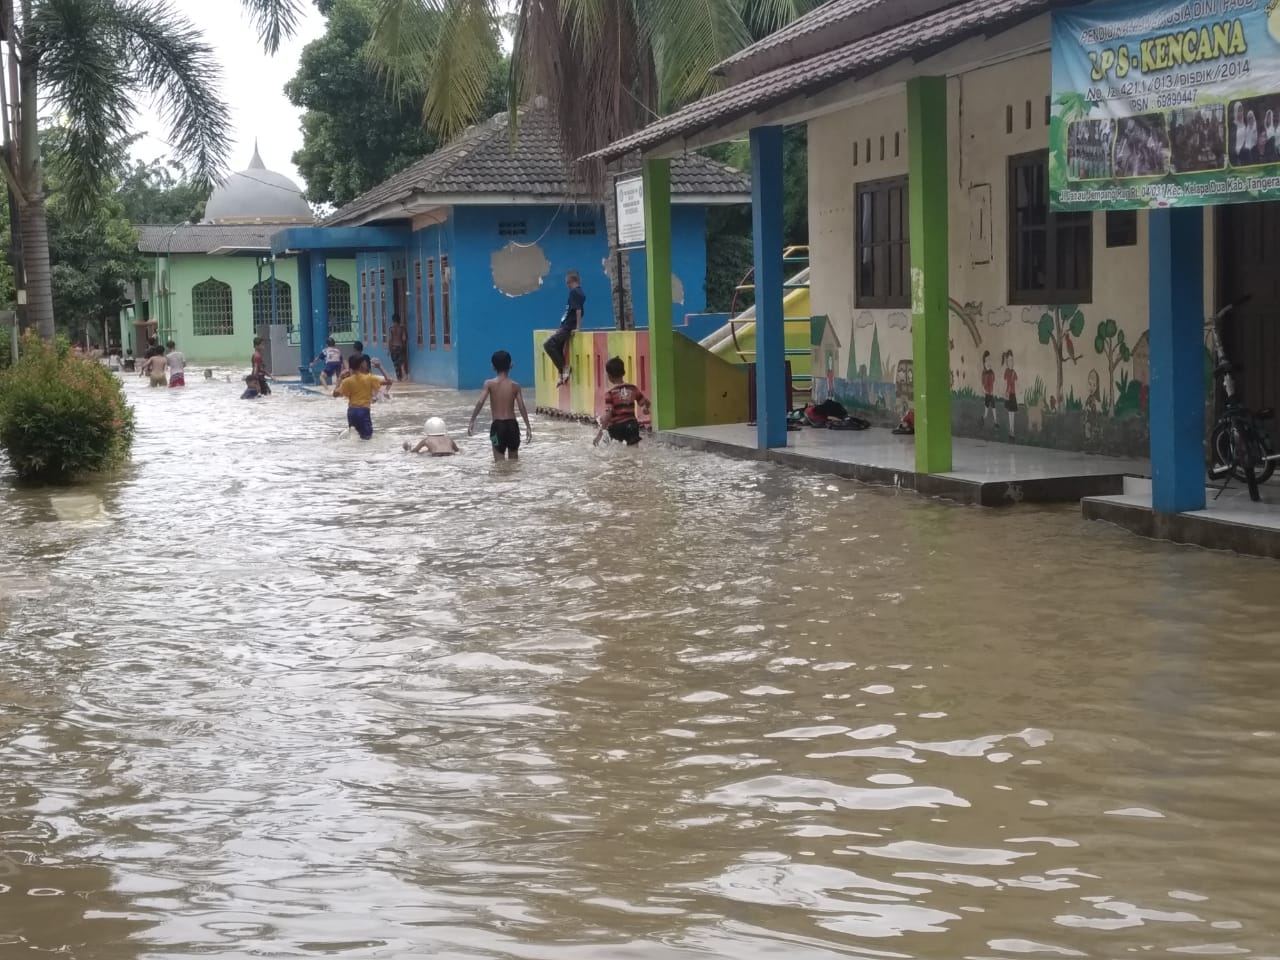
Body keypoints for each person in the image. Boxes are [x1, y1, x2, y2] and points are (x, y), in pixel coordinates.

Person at [468, 349, 532, 460]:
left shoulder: (489, 384)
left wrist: (472, 420)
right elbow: (522, 407)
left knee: (499, 463)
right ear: (511, 365)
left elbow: (480, 402)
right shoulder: (515, 386)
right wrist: (528, 426)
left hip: (497, 428)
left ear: (493, 367)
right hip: (513, 427)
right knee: (514, 463)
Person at [593, 356, 650, 447]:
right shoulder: (633, 388)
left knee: (615, 453)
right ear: (624, 372)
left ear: (609, 376)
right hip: (631, 426)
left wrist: (599, 434)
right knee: (634, 452)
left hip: (616, 427)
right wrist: (646, 408)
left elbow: (609, 414)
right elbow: (646, 402)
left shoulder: (610, 393)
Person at [335, 355, 392, 440]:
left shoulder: (346, 381)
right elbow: (389, 381)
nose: (367, 365)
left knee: (354, 436)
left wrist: (339, 378)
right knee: (367, 438)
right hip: (363, 411)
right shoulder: (369, 378)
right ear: (361, 365)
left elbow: (335, 394)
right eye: (365, 363)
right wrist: (380, 367)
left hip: (351, 412)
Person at [543, 270, 584, 386]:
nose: (567, 286)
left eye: (568, 283)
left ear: (572, 281)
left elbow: (578, 310)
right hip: (565, 325)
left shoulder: (575, 292)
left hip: (568, 326)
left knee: (548, 344)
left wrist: (577, 327)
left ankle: (565, 368)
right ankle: (561, 375)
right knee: (558, 347)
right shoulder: (577, 293)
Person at [388, 314, 409, 381]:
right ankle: (404, 374)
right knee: (402, 362)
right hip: (400, 347)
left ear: (393, 320)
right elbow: (404, 338)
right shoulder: (402, 328)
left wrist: (389, 349)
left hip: (393, 348)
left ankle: (399, 378)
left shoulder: (391, 329)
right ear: (399, 320)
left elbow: (390, 339)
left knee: (396, 364)